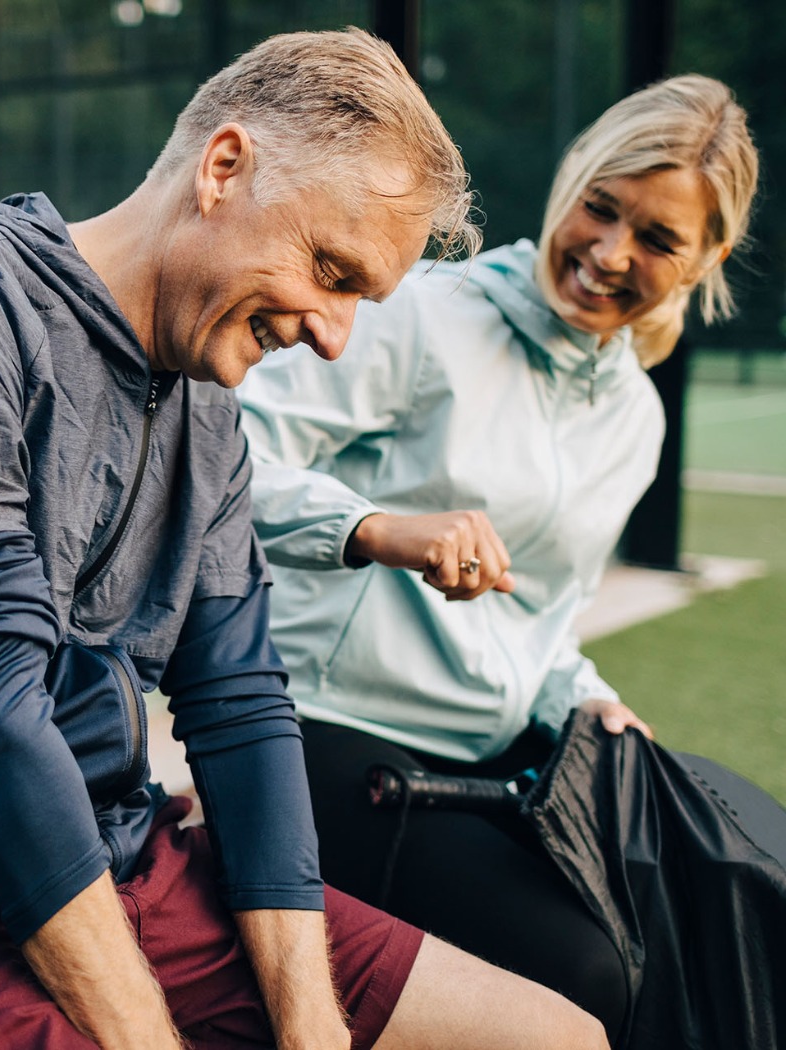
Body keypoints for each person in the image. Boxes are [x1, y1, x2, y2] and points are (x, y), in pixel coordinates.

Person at [0, 27, 612, 1050]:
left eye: (358, 299)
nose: (333, 335)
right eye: (330, 270)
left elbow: (237, 706)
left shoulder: (211, 416)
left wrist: (310, 1020)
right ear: (223, 167)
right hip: (5, 892)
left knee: (555, 1037)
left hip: (130, 863)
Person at [239, 73, 759, 1046]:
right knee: (582, 974)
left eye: (655, 240)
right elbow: (225, 459)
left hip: (490, 761)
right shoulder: (426, 317)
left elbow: (540, 625)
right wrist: (373, 526)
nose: (607, 255)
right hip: (322, 732)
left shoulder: (631, 418)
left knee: (671, 936)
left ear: (704, 259)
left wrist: (588, 698)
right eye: (598, 209)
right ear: (569, 183)